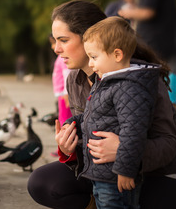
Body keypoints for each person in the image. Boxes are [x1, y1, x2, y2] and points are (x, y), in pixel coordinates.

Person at [27, 0, 176, 209]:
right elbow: (92, 134)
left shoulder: (139, 78)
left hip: (158, 174)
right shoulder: (74, 79)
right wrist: (69, 147)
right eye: (55, 40)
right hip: (106, 173)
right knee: (41, 183)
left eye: (63, 40)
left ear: (89, 38)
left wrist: (124, 151)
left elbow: (169, 144)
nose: (56, 49)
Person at [68, 16, 159, 208]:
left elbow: (134, 131)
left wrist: (125, 170)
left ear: (117, 55)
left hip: (115, 176)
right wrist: (73, 123)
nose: (91, 64)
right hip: (102, 174)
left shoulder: (129, 88)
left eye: (94, 57)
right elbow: (93, 116)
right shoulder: (107, 82)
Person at [49, 34, 72, 125]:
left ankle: (66, 136)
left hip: (64, 94)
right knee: (62, 116)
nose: (53, 47)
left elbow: (67, 75)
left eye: (53, 43)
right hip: (61, 93)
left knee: (65, 118)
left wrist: (67, 93)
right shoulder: (60, 58)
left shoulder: (63, 58)